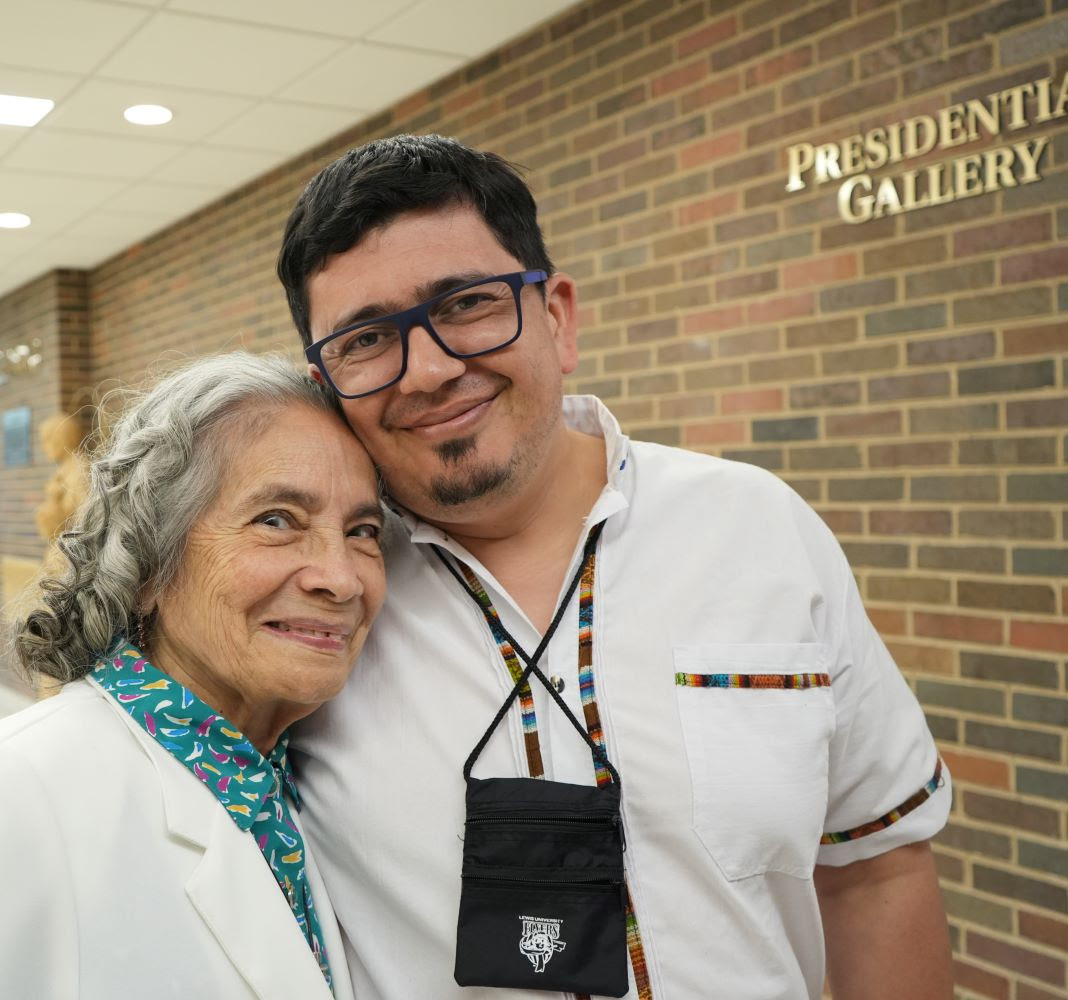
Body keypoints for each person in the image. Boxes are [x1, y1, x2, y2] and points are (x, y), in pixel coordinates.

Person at [277, 135, 953, 1000]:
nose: (431, 369)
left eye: (469, 303)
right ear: (324, 383)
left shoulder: (758, 529)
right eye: (368, 339)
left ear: (557, 317)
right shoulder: (310, 606)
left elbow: (875, 869)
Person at [0, 353, 385, 999]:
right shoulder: (0, 791)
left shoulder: (280, 785)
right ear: (147, 566)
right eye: (276, 520)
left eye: (363, 530)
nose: (341, 578)